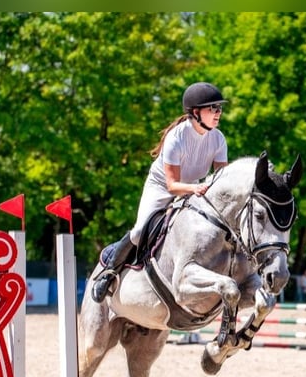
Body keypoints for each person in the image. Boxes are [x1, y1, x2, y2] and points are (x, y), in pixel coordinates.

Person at [90, 81, 229, 303]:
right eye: (212, 108)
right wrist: (196, 188)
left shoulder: (219, 139)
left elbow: (221, 181)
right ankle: (109, 272)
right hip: (162, 187)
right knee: (139, 231)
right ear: (195, 112)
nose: (218, 113)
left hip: (194, 188)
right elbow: (173, 185)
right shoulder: (177, 137)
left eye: (219, 108)